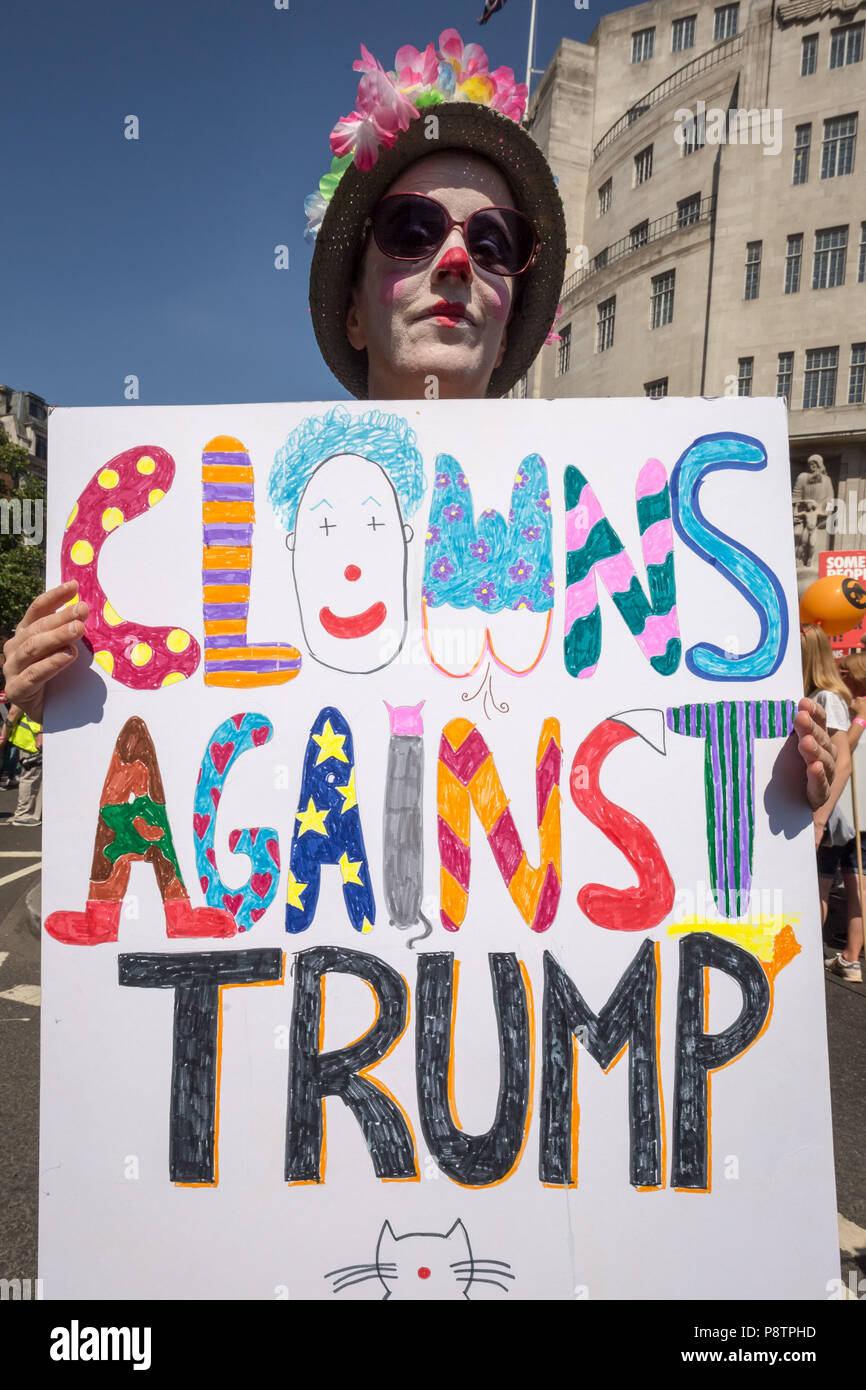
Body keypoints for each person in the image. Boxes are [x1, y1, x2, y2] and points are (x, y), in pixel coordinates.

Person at [0, 27, 838, 818]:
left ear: (510, 318)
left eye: (497, 240)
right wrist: (47, 702)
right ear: (356, 309)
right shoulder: (221, 532)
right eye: (412, 229)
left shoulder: (614, 533)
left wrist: (782, 798)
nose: (457, 259)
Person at [801, 625, 859, 977]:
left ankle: (806, 965)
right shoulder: (822, 695)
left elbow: (843, 760)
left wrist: (819, 820)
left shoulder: (826, 698)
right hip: (818, 812)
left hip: (822, 814)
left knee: (819, 886)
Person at [1, 703, 43, 827]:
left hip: (31, 739)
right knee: (30, 777)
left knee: (35, 778)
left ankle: (30, 813)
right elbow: (13, 713)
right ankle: (23, 814)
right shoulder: (29, 690)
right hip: (31, 740)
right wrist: (3, 737)